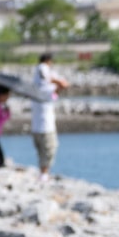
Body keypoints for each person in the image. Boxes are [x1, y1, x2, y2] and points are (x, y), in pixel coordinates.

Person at [29, 52, 70, 180]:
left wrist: (56, 83)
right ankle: (44, 175)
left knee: (42, 152)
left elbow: (55, 93)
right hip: (46, 126)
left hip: (35, 126)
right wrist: (58, 81)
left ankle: (43, 174)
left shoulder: (35, 87)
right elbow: (60, 86)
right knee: (49, 150)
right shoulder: (45, 85)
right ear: (49, 61)